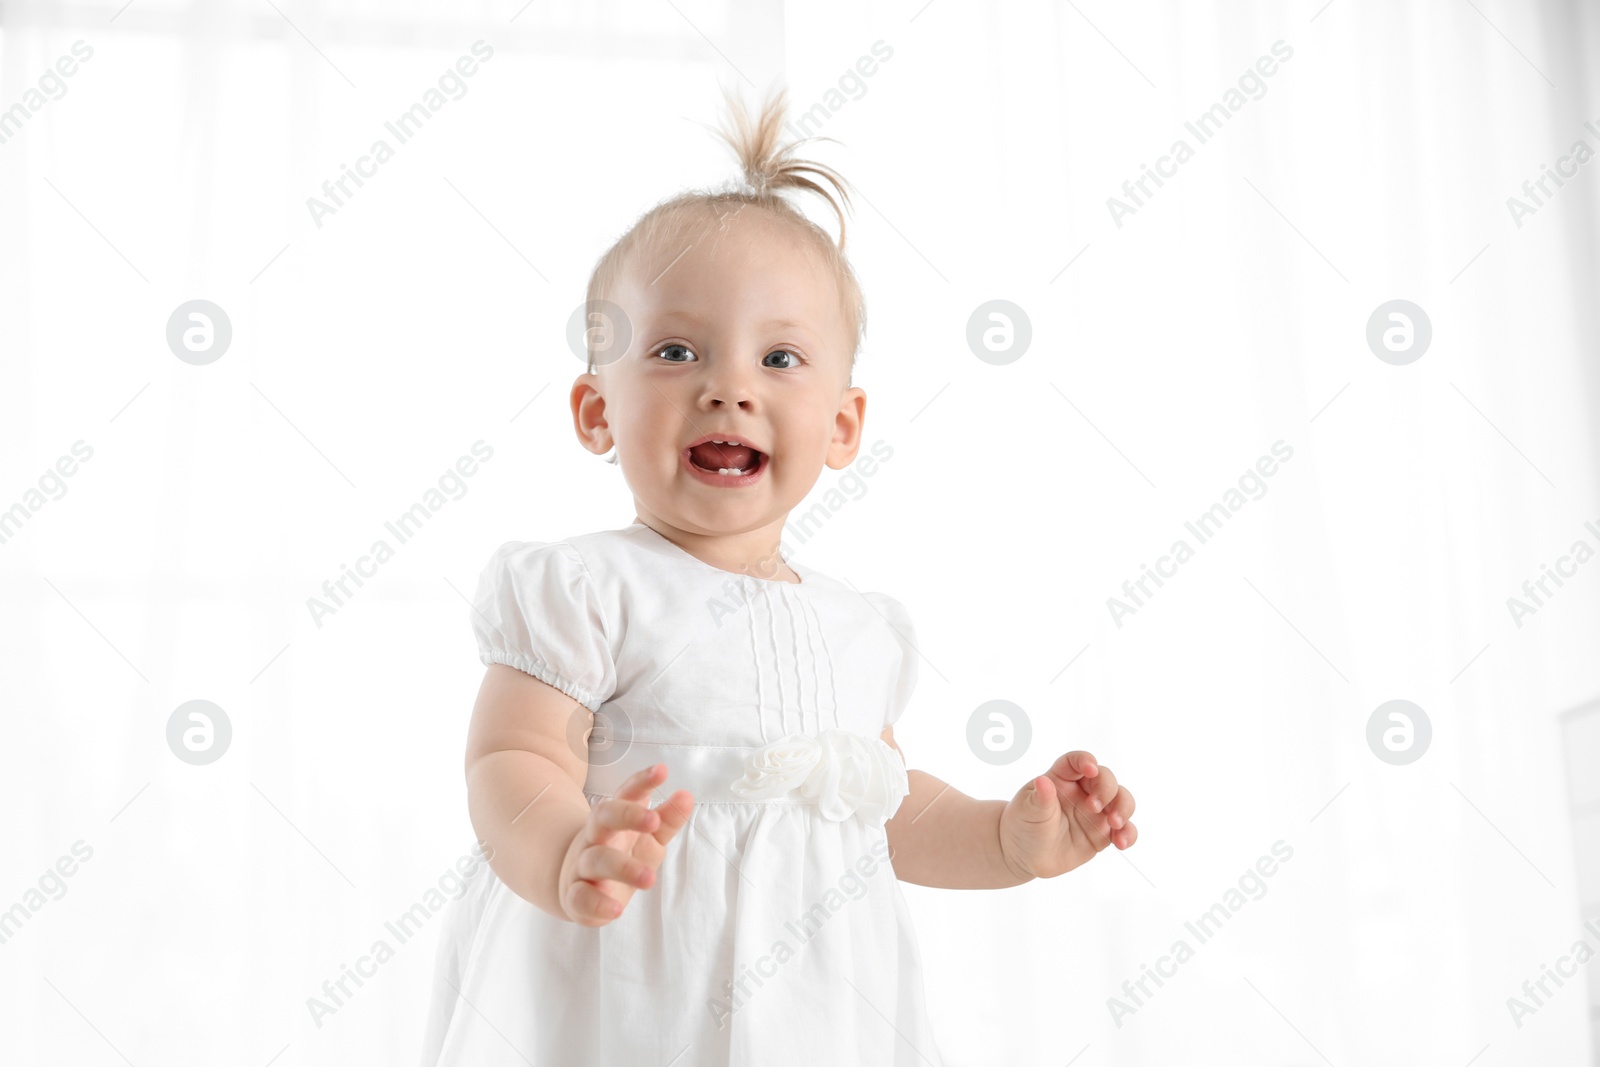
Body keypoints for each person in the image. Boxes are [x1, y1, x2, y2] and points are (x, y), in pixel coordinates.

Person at [421, 84, 1139, 1067]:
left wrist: (1004, 839)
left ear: (842, 424)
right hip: (628, 987)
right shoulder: (590, 589)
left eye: (780, 357)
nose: (731, 385)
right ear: (596, 411)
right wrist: (562, 852)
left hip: (819, 1009)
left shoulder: (861, 628)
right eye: (676, 350)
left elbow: (881, 806)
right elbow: (509, 760)